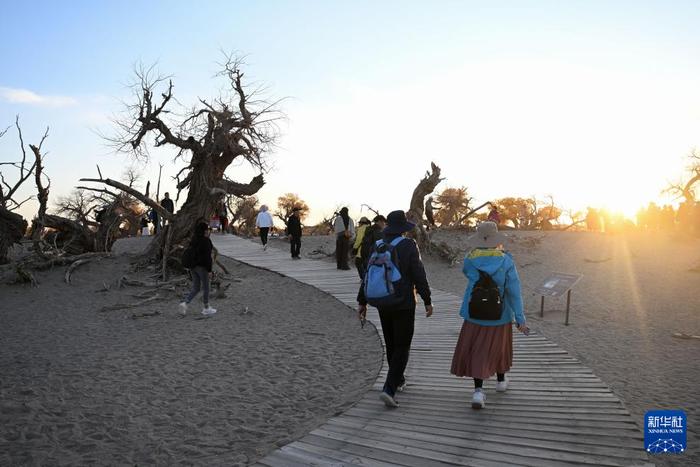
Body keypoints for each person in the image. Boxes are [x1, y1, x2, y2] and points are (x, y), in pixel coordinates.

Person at [357, 210, 433, 408]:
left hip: (383, 301)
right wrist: (427, 299)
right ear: (403, 228)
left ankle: (397, 380)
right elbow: (418, 273)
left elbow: (368, 274)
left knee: (391, 342)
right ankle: (389, 388)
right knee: (402, 345)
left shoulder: (378, 245)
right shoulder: (408, 245)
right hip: (404, 302)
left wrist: (362, 301)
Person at [450, 221, 528, 409]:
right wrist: (520, 318)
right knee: (500, 348)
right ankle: (501, 382)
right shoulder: (506, 261)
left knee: (478, 350)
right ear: (496, 239)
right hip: (500, 314)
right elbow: (514, 291)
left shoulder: (470, 260)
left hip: (474, 313)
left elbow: (468, 274)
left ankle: (478, 392)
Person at [179, 222, 217, 316]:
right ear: (205, 230)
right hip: (202, 267)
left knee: (196, 287)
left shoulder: (194, 239)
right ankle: (206, 307)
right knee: (206, 287)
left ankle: (185, 303)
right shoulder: (206, 241)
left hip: (193, 266)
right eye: (208, 229)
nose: (209, 231)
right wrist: (209, 271)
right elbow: (208, 258)